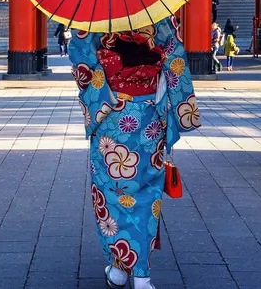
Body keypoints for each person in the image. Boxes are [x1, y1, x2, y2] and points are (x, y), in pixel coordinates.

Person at [68, 19, 200, 289]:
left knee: (111, 192)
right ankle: (141, 275)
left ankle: (120, 269)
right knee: (146, 192)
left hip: (111, 116)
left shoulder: (92, 15)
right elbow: (175, 59)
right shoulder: (159, 12)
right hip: (149, 116)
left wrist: (104, 90)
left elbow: (81, 62)